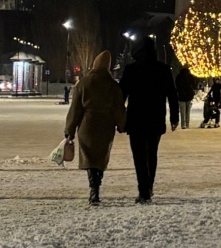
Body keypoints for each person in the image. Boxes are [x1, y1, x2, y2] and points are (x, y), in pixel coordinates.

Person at [119, 43, 179, 204]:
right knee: (152, 153)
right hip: (155, 118)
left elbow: (121, 95)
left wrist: (118, 118)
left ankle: (143, 190)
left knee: (139, 156)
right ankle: (149, 186)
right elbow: (172, 95)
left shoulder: (131, 70)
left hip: (136, 119)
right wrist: (174, 117)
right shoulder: (163, 69)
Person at [65, 51, 126, 206]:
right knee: (100, 157)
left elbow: (75, 109)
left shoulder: (84, 83)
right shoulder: (113, 86)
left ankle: (93, 189)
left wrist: (70, 129)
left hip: (87, 124)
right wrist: (122, 124)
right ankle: (96, 186)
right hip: (106, 125)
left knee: (89, 157)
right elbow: (118, 108)